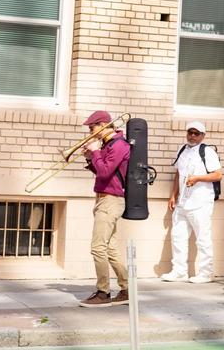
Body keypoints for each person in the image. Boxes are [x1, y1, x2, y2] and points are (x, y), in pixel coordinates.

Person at [78, 110, 131, 308]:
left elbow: (106, 171)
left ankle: (103, 292)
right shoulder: (109, 144)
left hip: (111, 200)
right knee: (110, 249)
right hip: (104, 198)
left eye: (92, 128)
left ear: (102, 125)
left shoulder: (119, 144)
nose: (91, 132)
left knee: (97, 247)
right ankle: (127, 290)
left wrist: (95, 152)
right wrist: (90, 158)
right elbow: (101, 173)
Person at [161, 121, 222, 283]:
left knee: (202, 237)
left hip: (200, 201)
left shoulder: (207, 151)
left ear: (203, 135)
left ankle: (206, 273)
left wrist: (197, 178)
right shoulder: (182, 150)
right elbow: (178, 174)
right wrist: (173, 195)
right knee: (178, 236)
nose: (192, 136)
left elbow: (217, 175)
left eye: (196, 133)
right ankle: (179, 271)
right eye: (190, 132)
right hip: (183, 200)